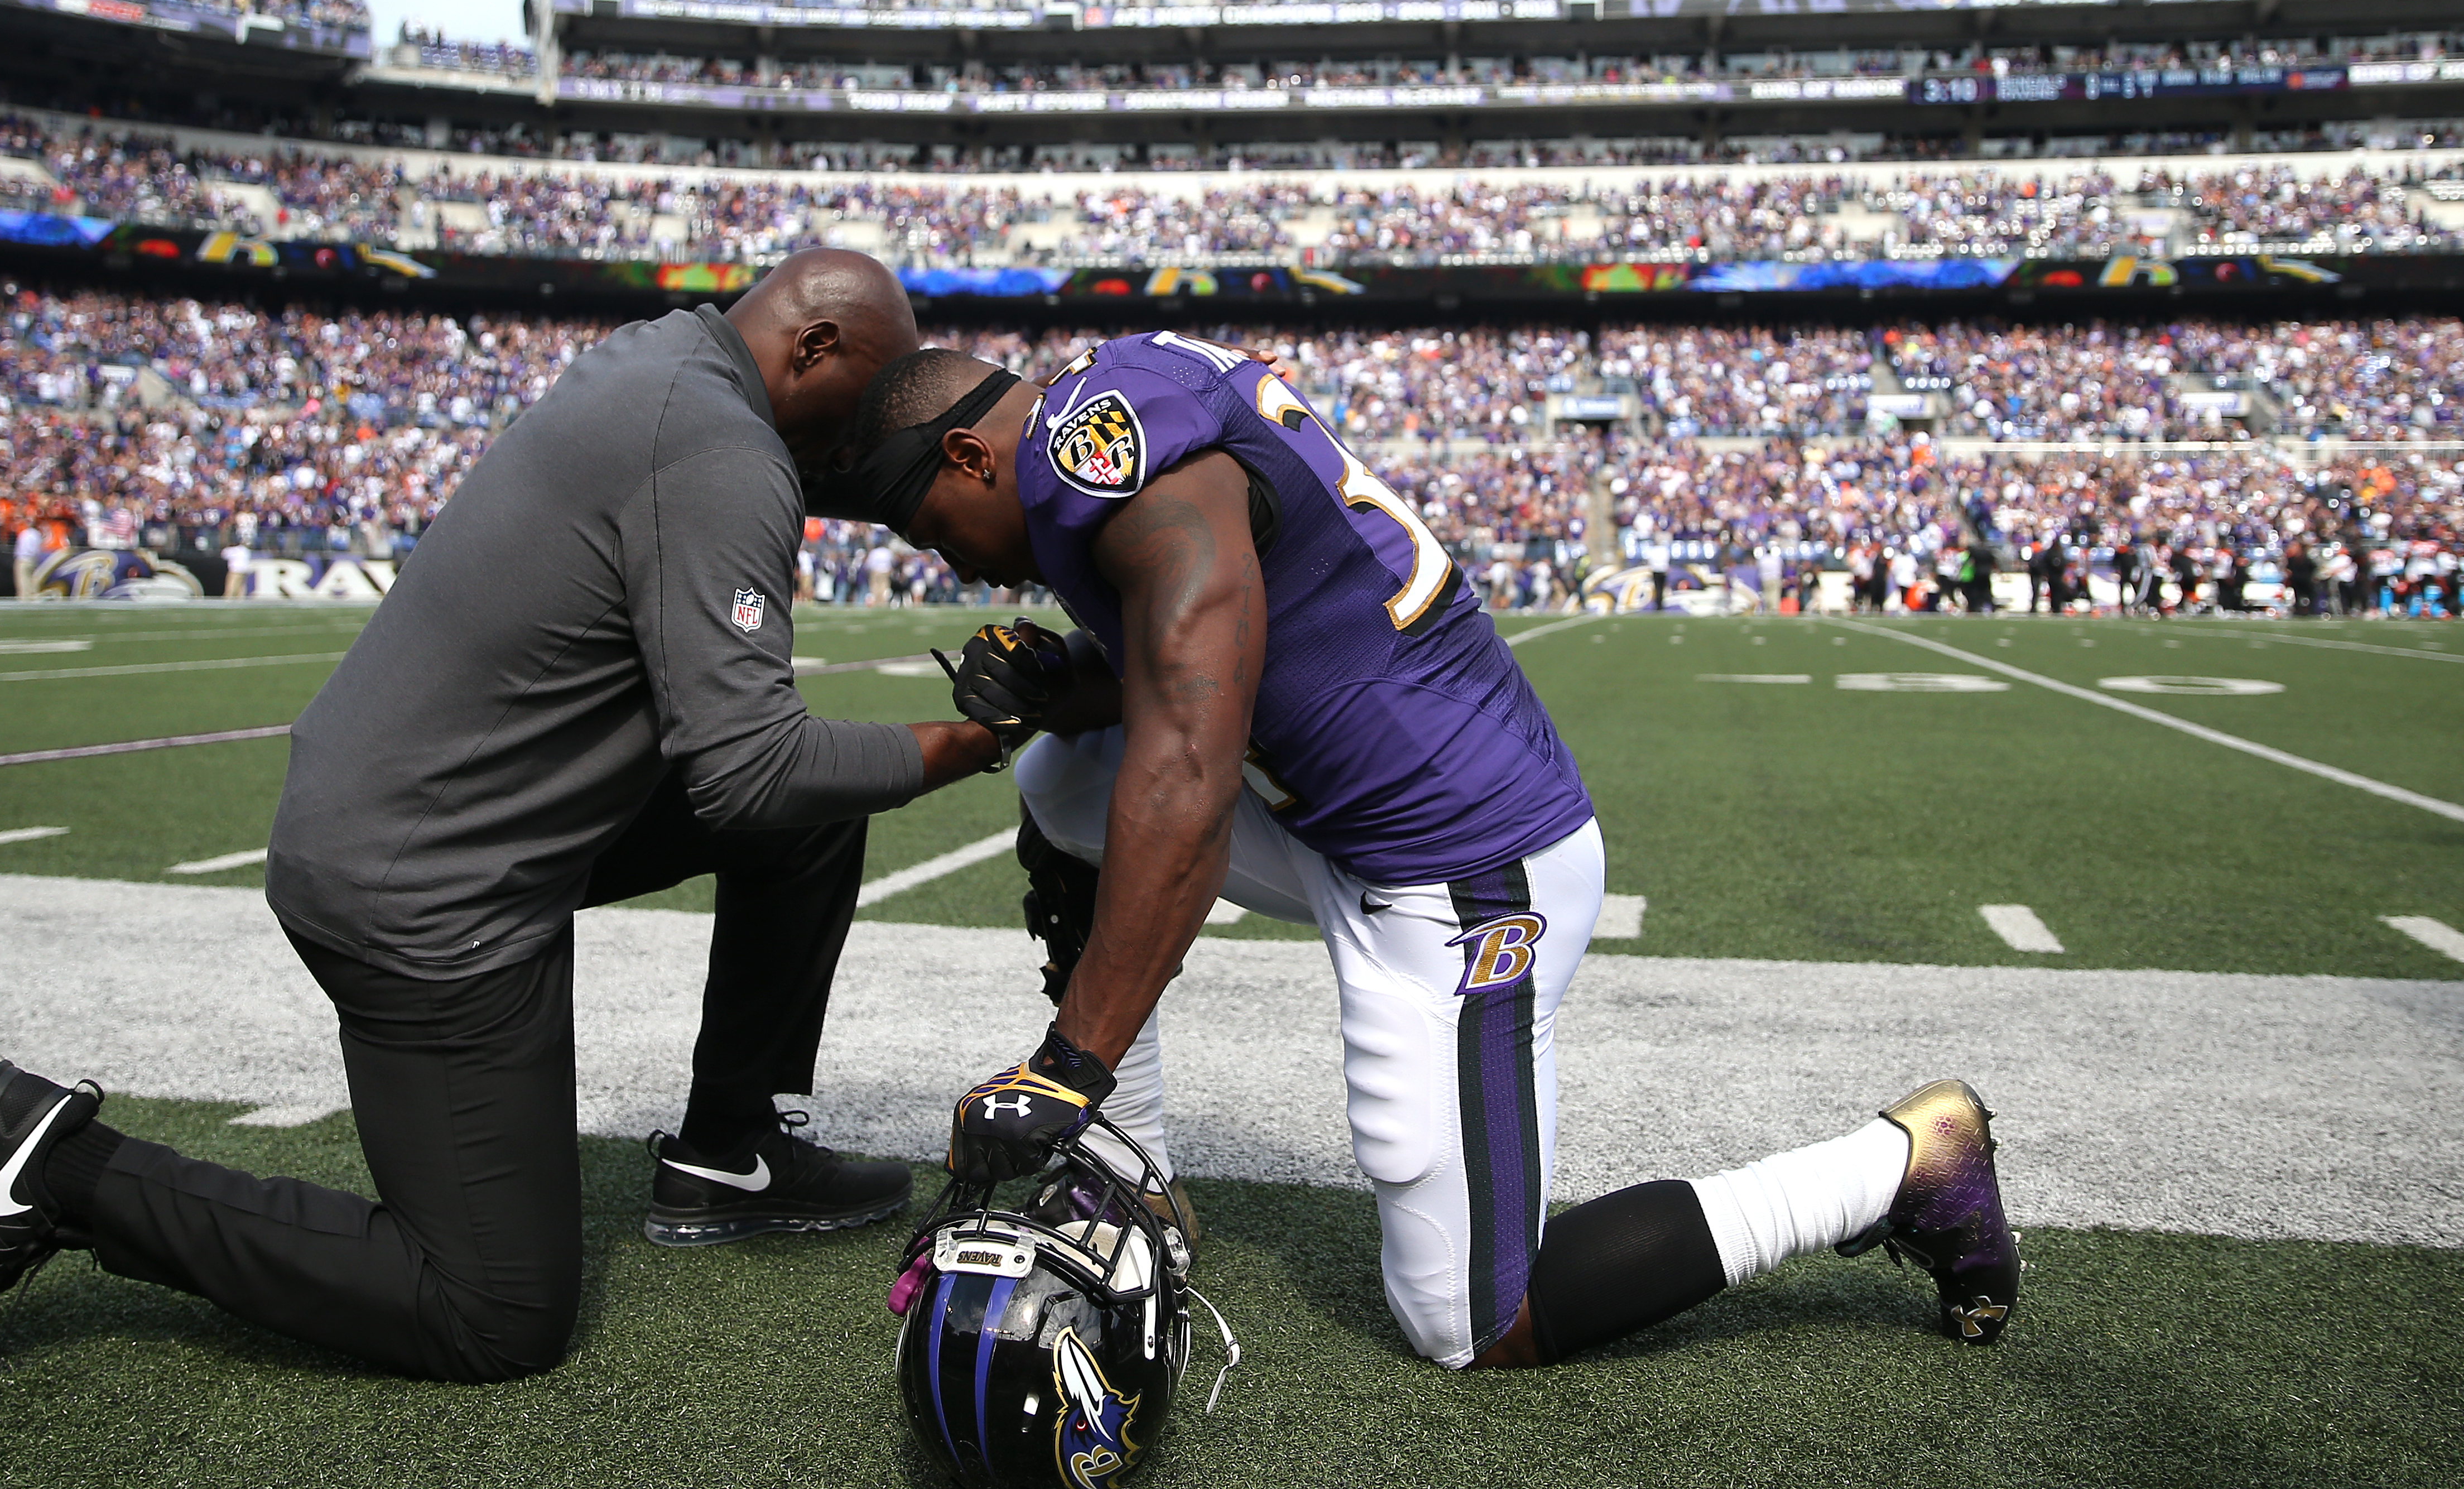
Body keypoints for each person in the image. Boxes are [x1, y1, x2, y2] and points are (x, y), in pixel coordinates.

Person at [0, 251, 1014, 1384]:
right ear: (813, 349)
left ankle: (731, 1153)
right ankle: (53, 1171)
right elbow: (749, 773)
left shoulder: (670, 362)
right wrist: (978, 741)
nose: (865, 430)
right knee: (494, 1312)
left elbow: (828, 478)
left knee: (814, 819)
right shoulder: (720, 448)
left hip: (427, 814)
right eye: (864, 396)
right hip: (424, 884)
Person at [851, 334, 2018, 1374]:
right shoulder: (1122, 385)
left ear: (967, 456)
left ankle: (1905, 1167)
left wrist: (1071, 1060)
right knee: (1070, 774)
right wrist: (1069, 684)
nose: (950, 564)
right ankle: (1129, 1168)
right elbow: (1220, 648)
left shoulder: (1098, 460)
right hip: (1341, 815)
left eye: (929, 529)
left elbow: (1190, 771)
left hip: (1461, 864)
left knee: (1472, 1324)